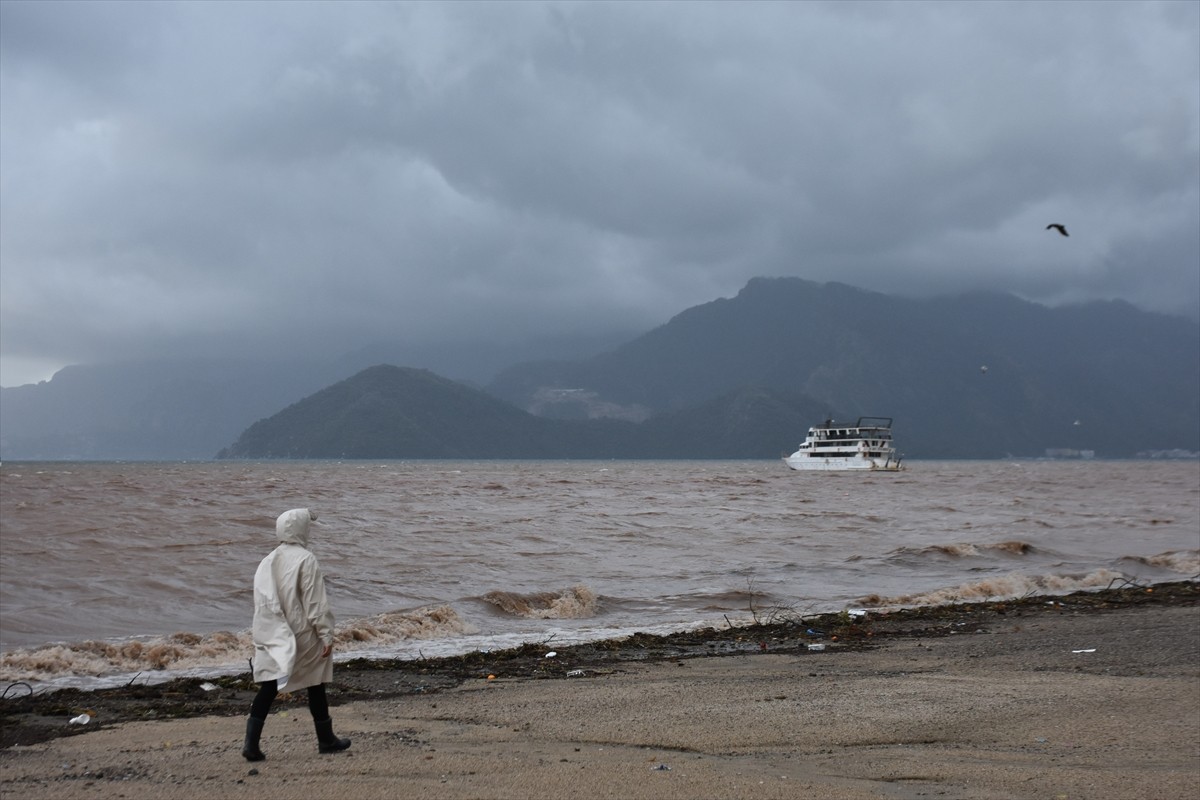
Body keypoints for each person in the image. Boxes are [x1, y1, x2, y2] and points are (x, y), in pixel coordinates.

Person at [242, 508, 350, 761]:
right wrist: (326, 634)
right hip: (303, 631)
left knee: (269, 685)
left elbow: (261, 600)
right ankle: (326, 739)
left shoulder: (268, 560)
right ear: (302, 529)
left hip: (273, 630)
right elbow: (315, 602)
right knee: (315, 682)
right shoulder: (306, 559)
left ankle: (251, 744)